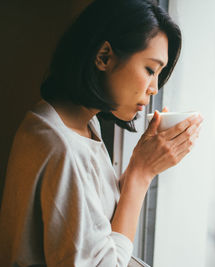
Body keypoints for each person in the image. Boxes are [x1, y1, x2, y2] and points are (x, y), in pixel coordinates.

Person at [0, 0, 203, 266]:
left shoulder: (79, 125)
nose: (154, 88)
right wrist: (141, 173)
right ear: (104, 56)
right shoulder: (59, 144)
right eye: (150, 69)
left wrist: (142, 162)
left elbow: (93, 221)